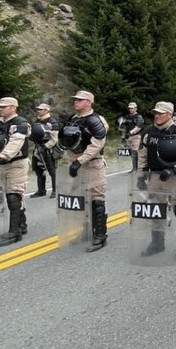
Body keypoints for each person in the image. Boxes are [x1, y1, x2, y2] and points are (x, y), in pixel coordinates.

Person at [137, 101, 176, 260]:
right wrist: (141, 175)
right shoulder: (149, 132)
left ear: (169, 114)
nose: (156, 115)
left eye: (160, 113)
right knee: (156, 211)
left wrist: (175, 168)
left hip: (174, 177)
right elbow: (142, 154)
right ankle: (157, 243)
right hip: (154, 176)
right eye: (155, 113)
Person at [62, 90, 110, 251]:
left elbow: (97, 144)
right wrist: (70, 160)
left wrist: (80, 161)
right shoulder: (73, 119)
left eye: (80, 100)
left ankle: (100, 236)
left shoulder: (96, 120)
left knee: (96, 200)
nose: (76, 102)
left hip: (93, 164)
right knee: (81, 200)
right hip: (76, 163)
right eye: (75, 99)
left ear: (89, 102)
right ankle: (86, 231)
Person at [0, 97, 31, 246]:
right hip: (4, 164)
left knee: (13, 196)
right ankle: (21, 224)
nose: (0, 109)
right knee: (12, 194)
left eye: (4, 107)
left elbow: (15, 144)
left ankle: (14, 232)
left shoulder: (21, 123)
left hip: (16, 163)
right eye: (0, 106)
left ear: (13, 108)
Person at [30, 103, 60, 199]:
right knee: (38, 169)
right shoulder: (36, 122)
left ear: (46, 110)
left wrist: (46, 147)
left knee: (52, 170)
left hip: (49, 149)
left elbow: (55, 138)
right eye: (37, 109)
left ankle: (55, 190)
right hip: (38, 148)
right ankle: (41, 190)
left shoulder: (52, 122)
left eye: (40, 109)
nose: (38, 111)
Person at [120, 102, 144, 173]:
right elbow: (123, 126)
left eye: (132, 108)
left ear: (136, 108)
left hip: (136, 136)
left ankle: (138, 168)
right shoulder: (127, 117)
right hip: (128, 137)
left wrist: (130, 132)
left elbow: (139, 127)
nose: (130, 109)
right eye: (129, 108)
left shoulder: (138, 117)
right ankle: (134, 168)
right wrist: (123, 136)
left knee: (135, 152)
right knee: (131, 153)